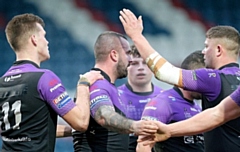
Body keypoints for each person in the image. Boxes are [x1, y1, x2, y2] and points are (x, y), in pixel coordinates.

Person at [119, 9, 240, 152]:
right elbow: (217, 115)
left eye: (207, 46)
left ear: (218, 50)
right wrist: (169, 130)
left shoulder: (213, 78)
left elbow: (164, 72)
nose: (203, 51)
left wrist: (136, 36)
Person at [0, 13, 103, 152]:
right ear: (34, 39)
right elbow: (81, 122)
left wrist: (69, 130)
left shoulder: (2, 82)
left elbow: (29, 130)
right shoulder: (44, 78)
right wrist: (83, 84)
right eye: (44, 36)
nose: (47, 42)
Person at [72, 31, 158, 152]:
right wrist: (134, 126)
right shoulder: (96, 83)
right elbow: (103, 115)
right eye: (128, 53)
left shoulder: (107, 86)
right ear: (114, 55)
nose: (131, 59)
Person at [137, 50, 205, 152]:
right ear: (190, 77)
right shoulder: (162, 103)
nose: (208, 85)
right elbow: (143, 146)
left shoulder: (197, 107)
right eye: (203, 80)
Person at [118, 44, 163, 152]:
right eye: (134, 63)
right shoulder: (114, 97)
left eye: (145, 63)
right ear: (126, 66)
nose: (141, 68)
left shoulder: (165, 97)